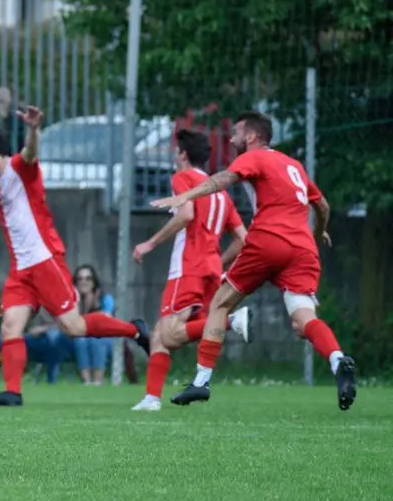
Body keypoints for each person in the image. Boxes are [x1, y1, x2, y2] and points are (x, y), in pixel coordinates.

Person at [151, 111, 356, 410]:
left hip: (268, 241)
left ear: (251, 137)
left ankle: (201, 382)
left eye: (235, 132)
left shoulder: (255, 156)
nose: (231, 138)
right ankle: (338, 361)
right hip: (302, 249)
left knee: (220, 303)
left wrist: (187, 196)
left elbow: (223, 179)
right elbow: (322, 205)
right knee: (304, 319)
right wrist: (319, 231)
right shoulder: (293, 164)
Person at [0, 110, 150, 408]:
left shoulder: (17, 168)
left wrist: (34, 130)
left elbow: (30, 153)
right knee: (11, 326)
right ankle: (13, 392)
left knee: (73, 327)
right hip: (20, 270)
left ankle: (135, 330)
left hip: (44, 262)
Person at [130, 129, 253, 411]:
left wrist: (149, 244)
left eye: (176, 151)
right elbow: (243, 239)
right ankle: (151, 398)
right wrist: (217, 262)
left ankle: (231, 321)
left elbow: (186, 214)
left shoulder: (182, 179)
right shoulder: (219, 193)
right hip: (209, 270)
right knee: (161, 333)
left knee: (169, 333)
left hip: (186, 268)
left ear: (183, 155)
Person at [72, 264, 115, 386]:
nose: (83, 282)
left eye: (88, 278)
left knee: (97, 339)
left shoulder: (105, 298)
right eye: (79, 279)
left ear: (94, 281)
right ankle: (87, 381)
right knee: (81, 340)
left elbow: (107, 317)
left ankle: (97, 381)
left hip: (104, 337)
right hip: (80, 337)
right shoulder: (73, 299)